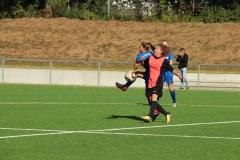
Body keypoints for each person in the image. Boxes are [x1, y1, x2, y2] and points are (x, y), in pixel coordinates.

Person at [140, 44, 182, 123]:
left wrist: (178, 75)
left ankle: (150, 115)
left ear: (161, 51)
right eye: (155, 49)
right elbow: (144, 66)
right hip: (150, 82)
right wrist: (142, 61)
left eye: (157, 49)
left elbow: (171, 69)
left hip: (158, 83)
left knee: (154, 99)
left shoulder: (163, 61)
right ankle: (166, 114)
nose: (155, 50)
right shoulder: (150, 58)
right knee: (153, 101)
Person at [161, 40, 177, 107]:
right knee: (159, 87)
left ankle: (174, 102)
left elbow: (171, 62)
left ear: (167, 46)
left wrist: (165, 65)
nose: (164, 46)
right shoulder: (161, 53)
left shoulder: (170, 53)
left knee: (170, 88)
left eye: (165, 45)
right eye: (162, 45)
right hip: (161, 72)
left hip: (168, 72)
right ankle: (156, 103)